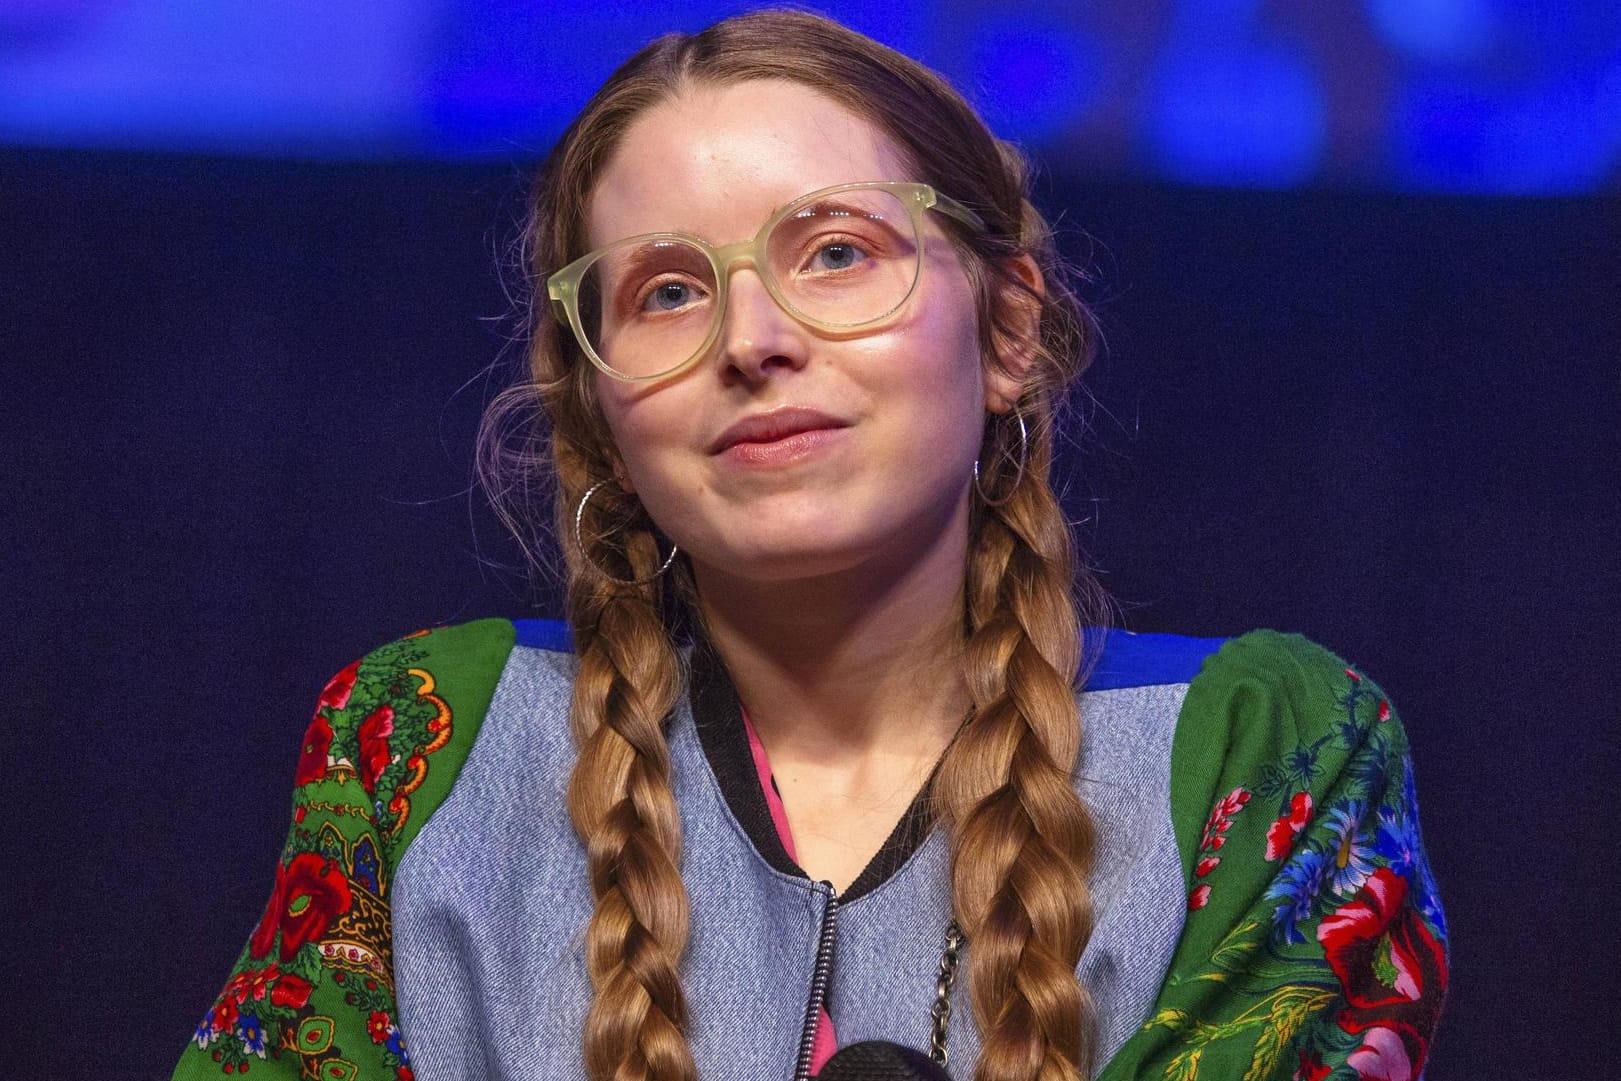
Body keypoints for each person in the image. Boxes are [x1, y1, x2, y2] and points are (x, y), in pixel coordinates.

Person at [171, 10, 1446, 1081]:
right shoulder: (422, 748)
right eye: (665, 289)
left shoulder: (1262, 749)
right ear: (604, 411)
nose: (751, 341)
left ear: (1006, 329)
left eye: (836, 253)